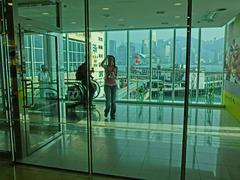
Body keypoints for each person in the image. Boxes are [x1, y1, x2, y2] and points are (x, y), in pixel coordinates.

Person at [101, 55, 118, 119]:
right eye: (109, 60)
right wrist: (105, 58)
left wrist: (113, 76)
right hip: (107, 85)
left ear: (113, 61)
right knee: (108, 101)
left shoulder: (115, 68)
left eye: (111, 60)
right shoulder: (106, 67)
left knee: (113, 101)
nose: (110, 61)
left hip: (114, 85)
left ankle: (112, 114)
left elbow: (116, 77)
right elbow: (101, 64)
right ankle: (106, 111)